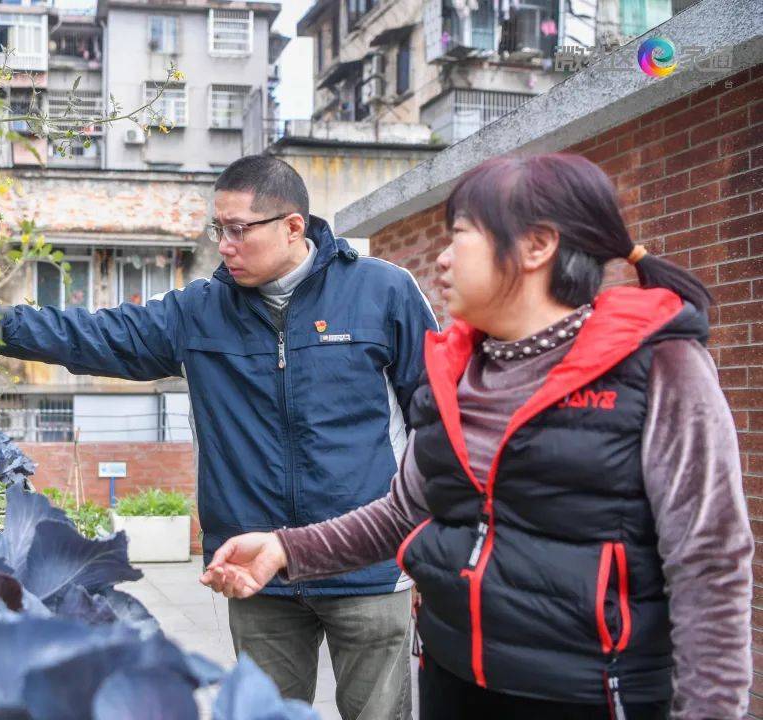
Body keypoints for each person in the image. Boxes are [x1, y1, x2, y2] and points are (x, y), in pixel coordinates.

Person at [200, 153, 752, 719]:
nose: (441, 260)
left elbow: (709, 562)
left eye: (459, 236)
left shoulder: (659, 367)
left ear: (536, 246)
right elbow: (403, 514)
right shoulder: (458, 370)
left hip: (588, 694)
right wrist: (285, 549)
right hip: (451, 677)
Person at [0, 155, 439, 719]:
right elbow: (99, 335)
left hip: (368, 565)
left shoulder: (383, 291)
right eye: (218, 229)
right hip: (253, 570)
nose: (224, 245)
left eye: (238, 230)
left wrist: (426, 542)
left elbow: (434, 421)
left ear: (292, 226)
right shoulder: (200, 310)